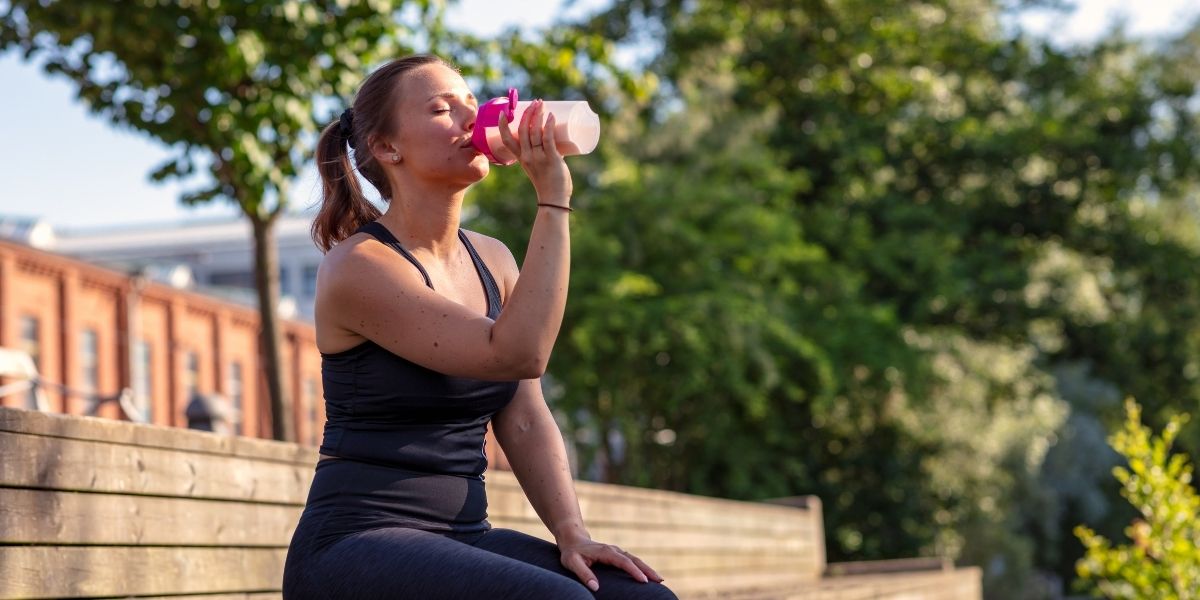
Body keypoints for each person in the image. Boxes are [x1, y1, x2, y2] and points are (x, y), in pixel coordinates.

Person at [282, 54, 677, 600]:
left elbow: (524, 414)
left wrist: (572, 535)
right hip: (354, 543)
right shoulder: (359, 266)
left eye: (472, 103)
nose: (471, 119)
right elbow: (516, 354)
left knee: (640, 597)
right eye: (442, 109)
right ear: (387, 148)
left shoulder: (493, 259)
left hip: (465, 537)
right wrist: (553, 199)